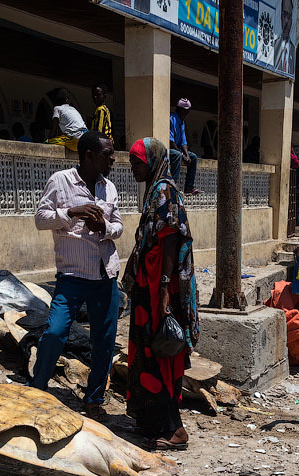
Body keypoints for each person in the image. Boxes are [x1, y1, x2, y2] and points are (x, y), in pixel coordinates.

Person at [32, 131, 122, 420]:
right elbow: (40, 219)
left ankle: (94, 398)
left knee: (104, 341)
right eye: (107, 153)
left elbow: (119, 226)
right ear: (88, 155)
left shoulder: (109, 188)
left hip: (105, 276)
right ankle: (37, 387)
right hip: (71, 275)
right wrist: (71, 211)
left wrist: (103, 228)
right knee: (55, 331)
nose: (112, 158)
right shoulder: (61, 181)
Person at [123, 137, 200, 450]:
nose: (133, 169)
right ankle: (152, 421)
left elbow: (169, 242)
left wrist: (165, 290)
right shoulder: (154, 191)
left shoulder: (164, 191)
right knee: (148, 354)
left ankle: (174, 429)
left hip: (159, 290)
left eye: (137, 163)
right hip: (149, 288)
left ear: (152, 161)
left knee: (162, 354)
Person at [168, 99, 201, 196]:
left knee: (193, 157)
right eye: (186, 111)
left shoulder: (182, 122)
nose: (187, 113)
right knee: (177, 155)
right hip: (169, 148)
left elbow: (183, 141)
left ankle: (189, 187)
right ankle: (171, 186)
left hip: (178, 148)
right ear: (181, 110)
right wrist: (182, 155)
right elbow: (170, 140)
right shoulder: (171, 118)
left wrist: (187, 155)